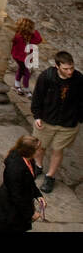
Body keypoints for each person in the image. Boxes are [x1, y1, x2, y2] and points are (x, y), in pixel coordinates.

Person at [30, 51, 83, 193]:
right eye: (66, 69)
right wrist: (37, 116)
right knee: (40, 147)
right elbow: (37, 97)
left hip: (68, 123)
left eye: (71, 67)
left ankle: (50, 176)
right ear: (57, 66)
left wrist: (79, 118)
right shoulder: (47, 77)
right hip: (46, 120)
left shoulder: (79, 79)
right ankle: (38, 166)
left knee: (57, 150)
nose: (70, 71)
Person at [0, 136, 46, 232]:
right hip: (10, 207)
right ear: (30, 151)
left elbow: (29, 182)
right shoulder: (15, 168)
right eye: (38, 149)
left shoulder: (29, 159)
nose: (40, 150)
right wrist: (30, 213)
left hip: (18, 202)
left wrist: (38, 195)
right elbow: (16, 195)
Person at [11, 18, 43, 96]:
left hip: (26, 57)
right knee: (27, 73)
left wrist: (34, 32)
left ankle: (17, 85)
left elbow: (39, 40)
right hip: (19, 57)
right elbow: (13, 43)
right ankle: (26, 89)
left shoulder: (31, 36)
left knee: (21, 69)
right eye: (32, 27)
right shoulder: (18, 36)